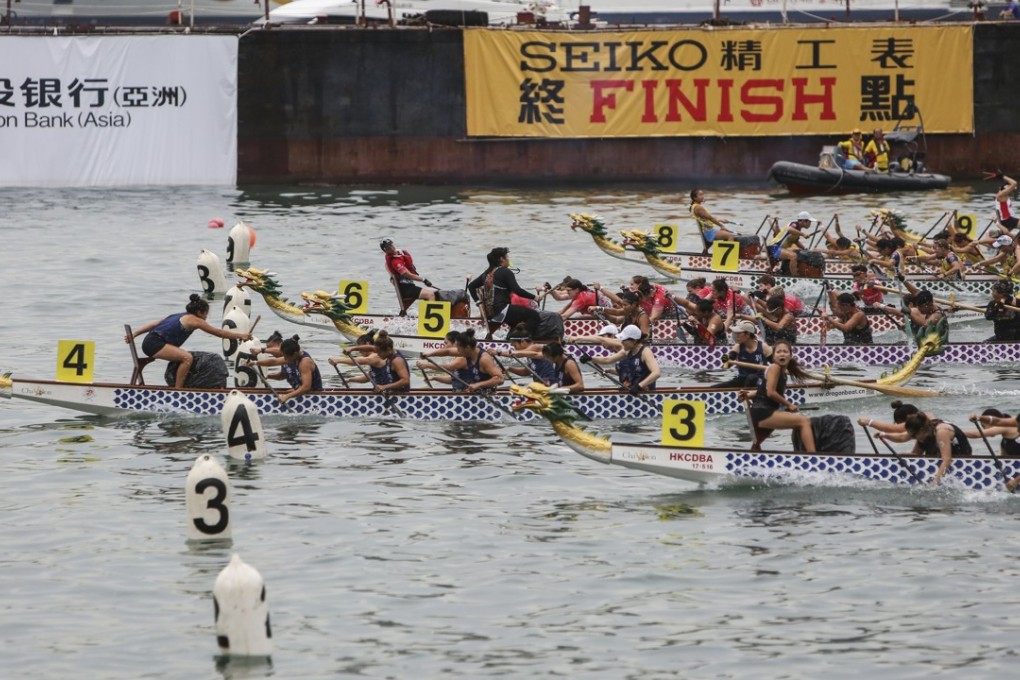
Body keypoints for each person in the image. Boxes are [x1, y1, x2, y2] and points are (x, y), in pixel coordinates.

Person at [127, 293, 252, 389]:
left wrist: (135, 334)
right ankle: (178, 390)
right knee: (187, 358)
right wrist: (241, 336)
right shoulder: (196, 320)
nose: (206, 317)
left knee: (186, 356)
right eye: (206, 314)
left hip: (150, 341)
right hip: (154, 343)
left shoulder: (179, 315)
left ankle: (180, 386)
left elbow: (155, 323)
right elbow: (219, 333)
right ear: (199, 312)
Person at [742, 340, 816, 452]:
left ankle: (753, 457)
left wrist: (749, 395)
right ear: (773, 356)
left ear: (790, 356)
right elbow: (770, 392)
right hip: (762, 412)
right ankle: (813, 456)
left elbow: (763, 389)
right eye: (778, 352)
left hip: (762, 412)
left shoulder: (782, 372)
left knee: (757, 445)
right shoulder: (775, 368)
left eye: (785, 352)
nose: (782, 354)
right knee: (804, 421)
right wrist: (789, 405)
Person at [877, 411, 972, 486]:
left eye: (913, 436)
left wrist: (936, 482)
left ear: (922, 430)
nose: (913, 438)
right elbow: (903, 438)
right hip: (940, 457)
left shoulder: (942, 431)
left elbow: (947, 460)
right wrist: (884, 435)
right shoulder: (922, 431)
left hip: (962, 461)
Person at [468, 247, 540, 337]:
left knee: (516, 321)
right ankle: (523, 340)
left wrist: (479, 303)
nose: (508, 259)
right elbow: (517, 290)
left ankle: (510, 339)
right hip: (502, 310)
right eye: (507, 257)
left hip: (490, 313)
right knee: (534, 315)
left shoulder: (487, 273)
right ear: (502, 259)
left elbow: (471, 286)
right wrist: (534, 297)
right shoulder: (505, 272)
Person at [581, 324, 660, 393]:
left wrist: (639, 386)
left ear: (634, 341)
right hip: (627, 391)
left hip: (642, 393)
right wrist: (590, 358)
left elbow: (656, 373)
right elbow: (607, 360)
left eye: (624, 340)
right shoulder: (627, 351)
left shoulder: (645, 352)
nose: (621, 342)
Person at [333, 330, 410, 393]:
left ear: (389, 349)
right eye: (376, 352)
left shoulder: (397, 360)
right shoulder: (385, 350)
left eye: (379, 352)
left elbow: (405, 380)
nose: (378, 354)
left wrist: (384, 387)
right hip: (387, 392)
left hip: (400, 395)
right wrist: (352, 348)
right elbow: (370, 348)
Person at [253, 336, 323, 404]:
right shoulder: (293, 357)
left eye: (286, 357)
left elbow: (306, 387)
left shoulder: (305, 362)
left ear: (294, 354)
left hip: (315, 398)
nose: (285, 359)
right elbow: (274, 362)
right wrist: (255, 363)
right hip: (304, 395)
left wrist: (287, 396)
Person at [967, 410, 1020, 490]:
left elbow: (976, 434)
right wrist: (979, 418)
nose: (1018, 430)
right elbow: (997, 421)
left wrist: (1016, 481)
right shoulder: (1004, 442)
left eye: (1019, 427)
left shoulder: (1006, 427)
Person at [489, 324, 556, 384]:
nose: (515, 349)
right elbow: (526, 372)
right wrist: (510, 369)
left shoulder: (535, 347)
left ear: (523, 342)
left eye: (515, 346)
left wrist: (498, 352)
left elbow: (515, 354)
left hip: (549, 382)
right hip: (540, 383)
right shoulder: (528, 355)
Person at [715, 319, 772, 389]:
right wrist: (725, 360)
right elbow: (725, 367)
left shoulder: (763, 347)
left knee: (751, 378)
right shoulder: (738, 347)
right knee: (716, 387)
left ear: (747, 334)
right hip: (742, 379)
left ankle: (745, 393)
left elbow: (776, 364)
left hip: (759, 380)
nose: (736, 336)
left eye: (739, 333)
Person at [380, 238, 436, 307]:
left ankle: (426, 311)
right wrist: (424, 280)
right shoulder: (396, 262)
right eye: (388, 248)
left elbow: (386, 264)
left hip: (409, 287)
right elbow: (408, 275)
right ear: (385, 251)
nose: (391, 248)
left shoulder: (398, 253)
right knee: (430, 295)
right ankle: (430, 314)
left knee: (435, 293)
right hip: (406, 289)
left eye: (391, 245)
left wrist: (391, 275)